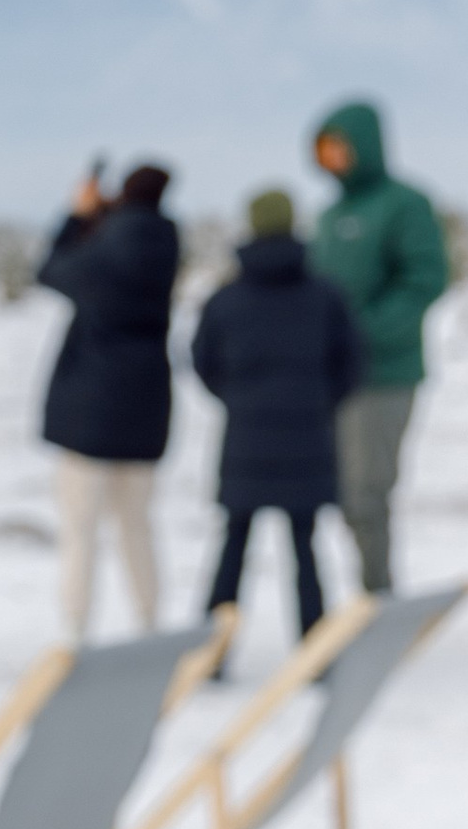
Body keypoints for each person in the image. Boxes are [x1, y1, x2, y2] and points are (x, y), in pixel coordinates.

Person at [189, 188, 364, 643]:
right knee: (306, 549)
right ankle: (314, 649)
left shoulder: (225, 299)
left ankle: (211, 652)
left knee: (233, 547)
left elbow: (202, 362)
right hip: (308, 439)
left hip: (245, 441)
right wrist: (316, 404)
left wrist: (240, 401)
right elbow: (351, 365)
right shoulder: (326, 296)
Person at [34, 160, 181, 639]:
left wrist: (78, 216)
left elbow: (52, 271)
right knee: (137, 525)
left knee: (80, 531)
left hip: (89, 411)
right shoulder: (166, 241)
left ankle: (75, 633)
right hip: (146, 406)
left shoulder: (109, 244)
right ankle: (149, 623)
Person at [307, 102, 448, 593]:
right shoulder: (330, 215)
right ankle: (365, 594)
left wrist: (365, 330)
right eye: (324, 150)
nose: (332, 158)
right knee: (343, 494)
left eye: (339, 147)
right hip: (334, 376)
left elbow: (426, 278)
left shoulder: (404, 204)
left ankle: (378, 595)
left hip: (386, 373)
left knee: (367, 492)